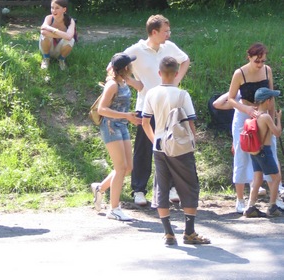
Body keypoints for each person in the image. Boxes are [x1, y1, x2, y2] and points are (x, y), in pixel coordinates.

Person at [121, 14, 190, 206]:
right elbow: (114, 67)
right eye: (165, 31)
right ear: (154, 32)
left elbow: (185, 60)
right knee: (144, 149)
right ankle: (139, 190)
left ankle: (171, 187)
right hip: (146, 107)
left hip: (169, 106)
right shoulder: (136, 50)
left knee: (171, 146)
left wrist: (177, 79)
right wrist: (136, 84)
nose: (169, 34)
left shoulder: (169, 47)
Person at [142, 57, 210, 246]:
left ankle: (168, 234)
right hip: (180, 147)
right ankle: (189, 232)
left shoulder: (151, 93)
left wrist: (156, 140)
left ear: (159, 73)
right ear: (176, 73)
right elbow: (190, 122)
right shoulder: (182, 95)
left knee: (161, 188)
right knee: (189, 186)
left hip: (159, 146)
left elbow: (145, 122)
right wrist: (193, 141)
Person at [227, 42, 281, 214]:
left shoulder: (267, 70)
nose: (260, 64)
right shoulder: (240, 73)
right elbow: (231, 99)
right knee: (242, 153)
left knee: (270, 149)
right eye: (257, 61)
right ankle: (240, 200)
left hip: (264, 114)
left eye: (263, 61)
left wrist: (272, 119)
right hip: (245, 114)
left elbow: (271, 97)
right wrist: (247, 109)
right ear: (249, 57)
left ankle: (275, 199)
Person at [90, 53, 143, 221]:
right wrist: (126, 115)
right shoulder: (112, 85)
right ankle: (114, 209)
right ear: (126, 68)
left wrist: (127, 117)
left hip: (122, 124)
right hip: (110, 126)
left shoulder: (124, 81)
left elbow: (141, 86)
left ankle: (100, 188)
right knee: (120, 168)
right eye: (130, 64)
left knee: (128, 168)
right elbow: (102, 109)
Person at [212, 91, 271, 210]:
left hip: (259, 129)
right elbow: (217, 104)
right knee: (241, 159)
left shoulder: (261, 93)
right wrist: (233, 92)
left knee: (260, 156)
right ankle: (241, 199)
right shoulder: (239, 95)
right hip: (243, 130)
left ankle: (259, 186)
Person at [244, 87, 282, 218]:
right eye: (271, 99)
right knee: (277, 178)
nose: (272, 102)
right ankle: (272, 207)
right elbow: (277, 133)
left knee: (258, 178)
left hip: (254, 152)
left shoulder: (253, 115)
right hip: (265, 151)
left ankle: (250, 207)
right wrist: (278, 118)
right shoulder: (266, 117)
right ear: (267, 101)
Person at [39, 0, 76, 71]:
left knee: (71, 40)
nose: (54, 10)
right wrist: (62, 34)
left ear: (64, 9)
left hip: (60, 50)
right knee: (44, 36)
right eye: (52, 8)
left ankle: (61, 60)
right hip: (47, 48)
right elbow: (43, 31)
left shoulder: (70, 21)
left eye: (57, 8)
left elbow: (69, 37)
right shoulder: (49, 18)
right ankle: (46, 59)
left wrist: (53, 30)